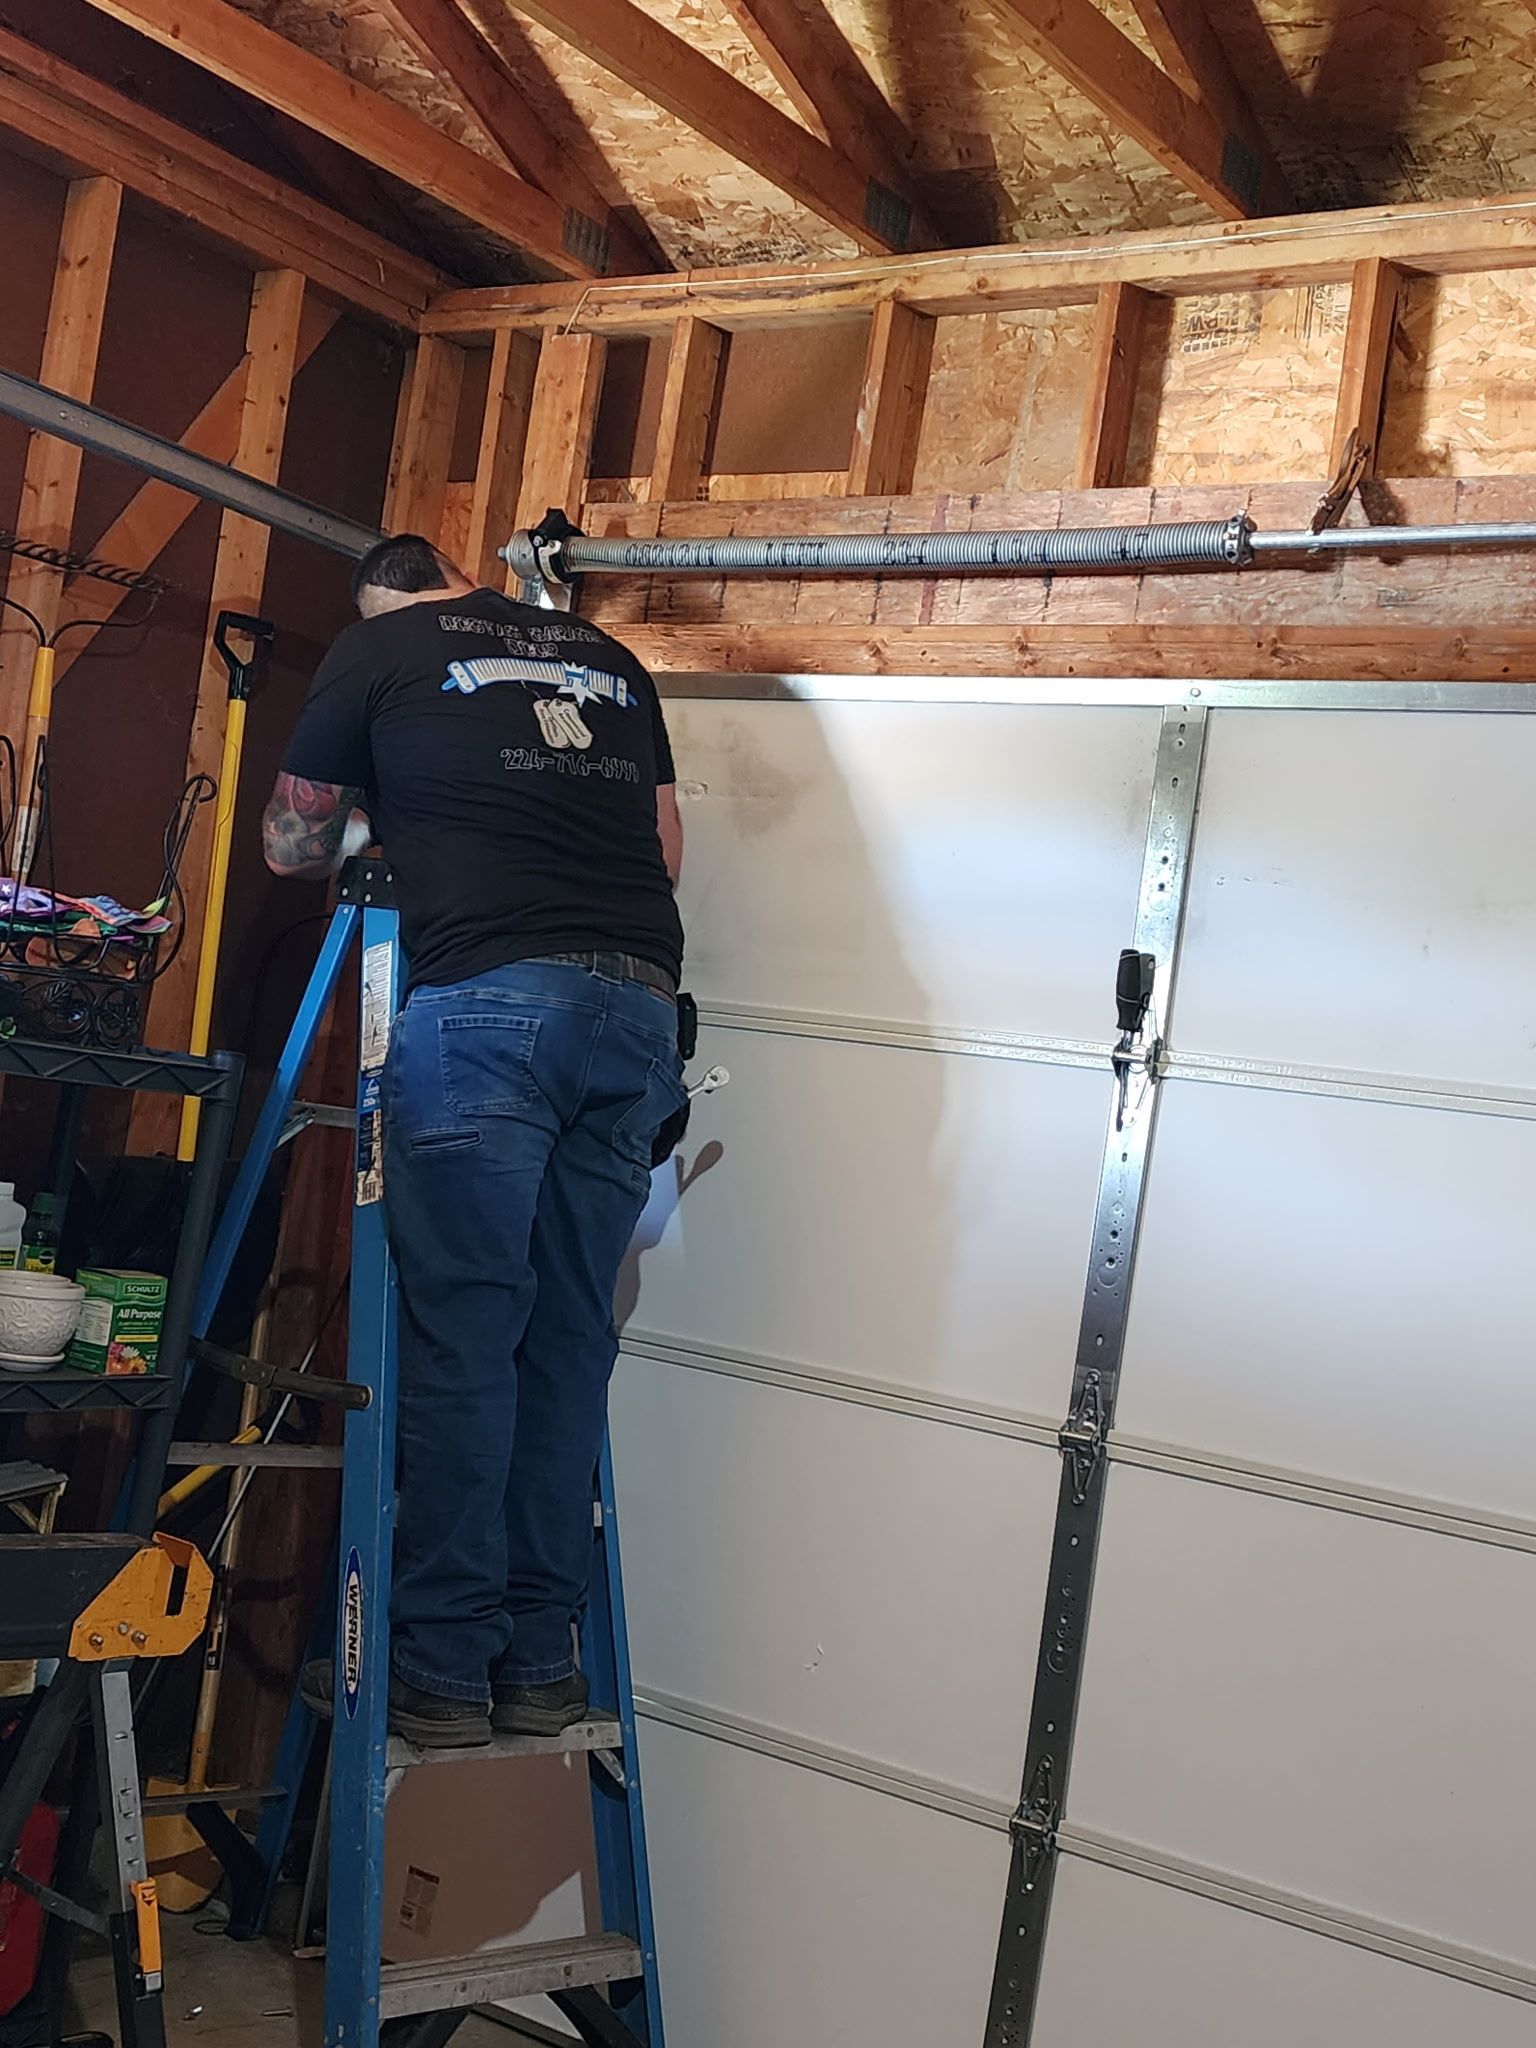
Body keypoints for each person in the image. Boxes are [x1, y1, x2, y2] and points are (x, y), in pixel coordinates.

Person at [261, 534, 686, 1748]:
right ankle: (538, 1660)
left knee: (464, 1335)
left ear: (382, 595)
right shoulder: (605, 653)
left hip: (490, 1006)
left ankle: (441, 1669)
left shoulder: (375, 646)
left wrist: (385, 830)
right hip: (637, 1008)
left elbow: (295, 844)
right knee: (563, 1338)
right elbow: (661, 852)